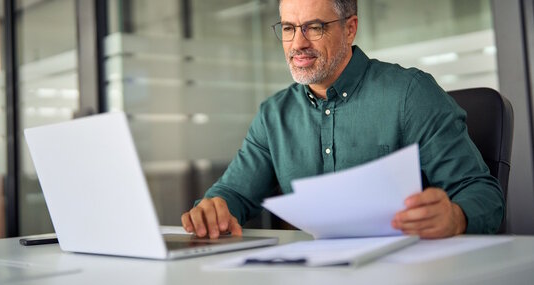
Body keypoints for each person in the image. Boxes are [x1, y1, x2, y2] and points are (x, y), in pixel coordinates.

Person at [181, 0, 504, 239]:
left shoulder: (410, 94)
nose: (298, 44)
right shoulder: (273, 115)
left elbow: (482, 191)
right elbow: (234, 194)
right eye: (289, 28)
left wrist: (457, 217)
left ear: (350, 28)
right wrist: (214, 208)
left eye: (314, 27)